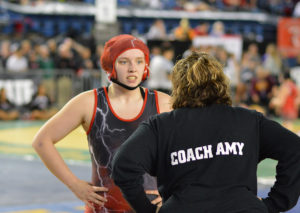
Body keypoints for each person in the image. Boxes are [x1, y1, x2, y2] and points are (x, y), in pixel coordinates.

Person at [112, 52, 300, 213]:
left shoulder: (160, 126)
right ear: (221, 83)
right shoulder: (248, 120)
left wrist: (148, 209)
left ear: (178, 87)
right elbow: (294, 148)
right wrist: (275, 203)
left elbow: (123, 165)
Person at [32, 34, 172, 213]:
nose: (132, 69)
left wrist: (173, 190)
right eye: (124, 62)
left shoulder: (164, 103)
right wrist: (74, 184)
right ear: (110, 64)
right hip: (104, 208)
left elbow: (187, 152)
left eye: (139, 61)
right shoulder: (89, 102)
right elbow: (42, 141)